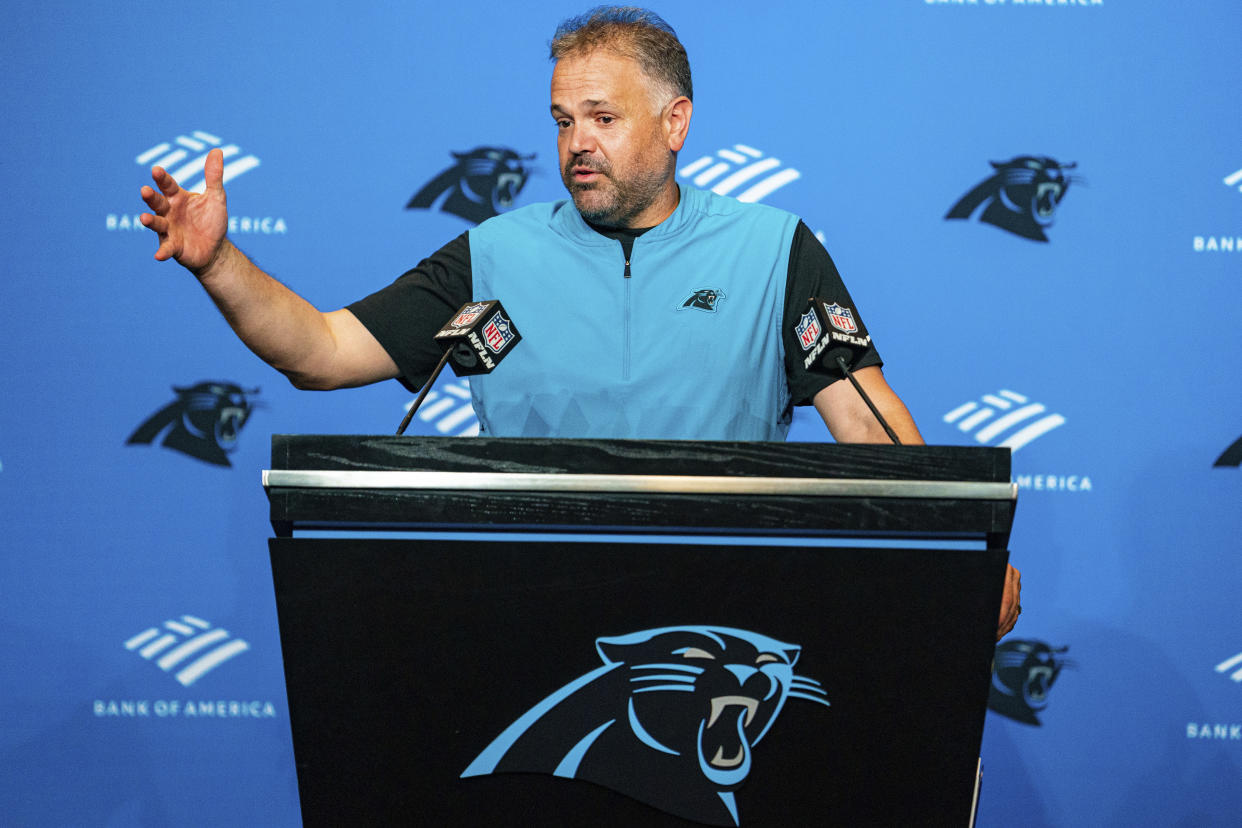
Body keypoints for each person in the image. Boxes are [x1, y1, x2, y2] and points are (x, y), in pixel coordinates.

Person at [138, 6, 1019, 638]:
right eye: (562, 121)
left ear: (676, 123)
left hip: (722, 623)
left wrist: (961, 556)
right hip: (523, 623)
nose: (575, 145)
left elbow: (866, 421)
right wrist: (218, 263)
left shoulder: (773, 250)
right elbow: (322, 352)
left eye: (602, 118)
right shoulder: (495, 256)